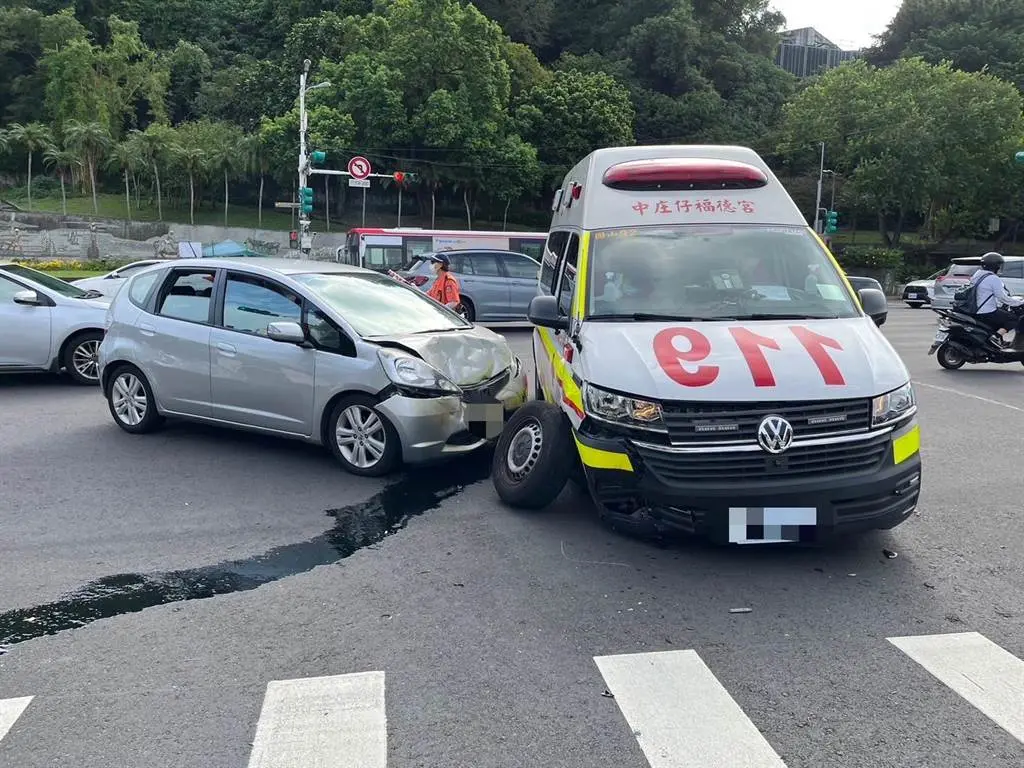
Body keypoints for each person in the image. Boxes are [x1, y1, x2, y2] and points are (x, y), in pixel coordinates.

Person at [966, 252, 1024, 347]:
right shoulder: (992, 278)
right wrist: (1020, 302)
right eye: (999, 265)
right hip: (985, 312)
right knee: (1013, 319)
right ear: (995, 266)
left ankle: (1000, 341)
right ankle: (995, 337)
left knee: (1002, 314)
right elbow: (1002, 297)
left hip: (974, 309)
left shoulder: (977, 275)